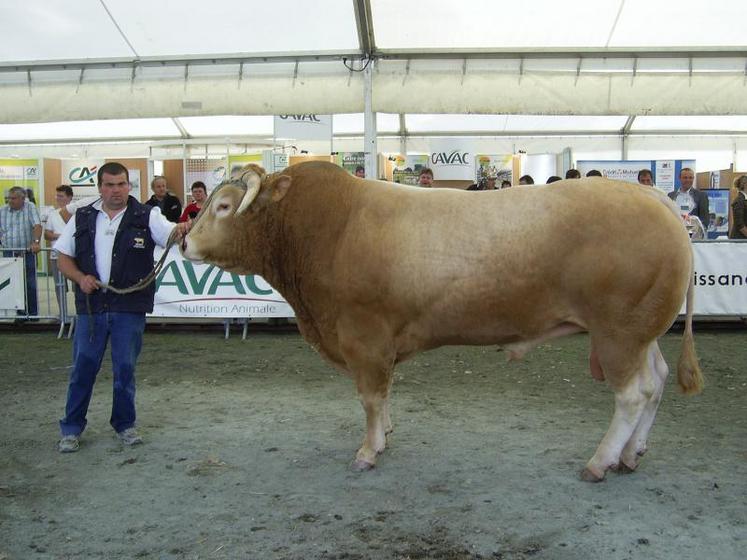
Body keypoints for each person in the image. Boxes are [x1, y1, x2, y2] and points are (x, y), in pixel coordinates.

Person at [54, 162, 191, 453]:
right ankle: (71, 427)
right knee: (83, 368)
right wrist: (80, 277)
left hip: (129, 307)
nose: (116, 190)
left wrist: (186, 227)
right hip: (92, 308)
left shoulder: (148, 215)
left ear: (129, 186)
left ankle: (125, 425)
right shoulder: (82, 217)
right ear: (100, 187)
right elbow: (63, 257)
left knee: (125, 369)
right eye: (109, 185)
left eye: (121, 184)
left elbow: (172, 234)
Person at [0, 186, 42, 315]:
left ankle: (32, 314)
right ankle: (20, 313)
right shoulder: (2, 210)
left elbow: (37, 225)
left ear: (23, 198)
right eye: (9, 198)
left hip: (27, 252)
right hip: (9, 252)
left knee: (30, 283)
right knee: (13, 284)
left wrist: (35, 242)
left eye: (13, 198)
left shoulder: (30, 207)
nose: (10, 201)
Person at [44, 185, 74, 317]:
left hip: (74, 256)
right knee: (59, 286)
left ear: (69, 197)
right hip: (56, 255)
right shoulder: (52, 214)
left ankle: (81, 314)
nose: (58, 198)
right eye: (57, 196)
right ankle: (63, 314)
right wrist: (61, 236)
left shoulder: (77, 213)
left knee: (77, 286)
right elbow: (47, 234)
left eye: (61, 196)